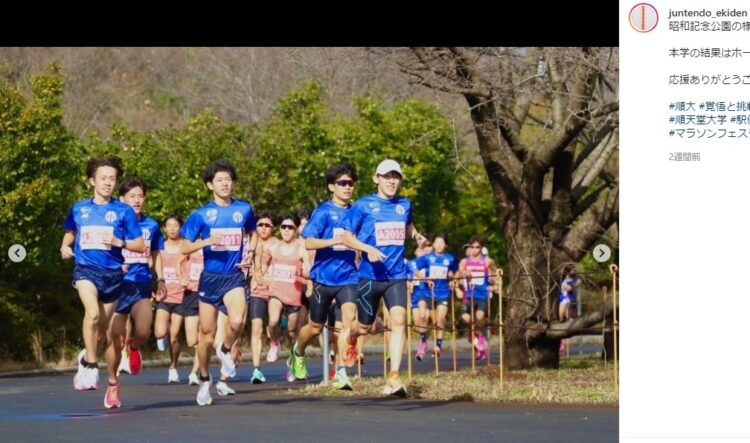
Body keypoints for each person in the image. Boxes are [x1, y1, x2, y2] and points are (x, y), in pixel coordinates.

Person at [60, 155, 145, 409]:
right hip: (86, 271)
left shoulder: (123, 211)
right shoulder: (79, 208)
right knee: (92, 313)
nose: (108, 183)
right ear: (91, 181)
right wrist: (64, 246)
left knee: (107, 334)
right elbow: (70, 233)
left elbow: (139, 245)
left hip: (113, 276)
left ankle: (112, 382)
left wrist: (119, 242)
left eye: (112, 179)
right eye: (103, 178)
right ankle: (89, 366)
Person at [340, 159, 426, 396]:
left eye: (395, 177)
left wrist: (416, 235)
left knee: (399, 321)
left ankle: (394, 376)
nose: (391, 181)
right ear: (376, 178)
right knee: (364, 327)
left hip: (396, 275)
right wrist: (366, 249)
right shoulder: (363, 205)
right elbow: (346, 237)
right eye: (387, 177)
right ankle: (352, 337)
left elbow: (407, 226)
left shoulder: (404, 205)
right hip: (369, 277)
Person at [179, 159, 257, 406]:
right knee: (206, 336)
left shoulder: (244, 209)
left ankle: (225, 350)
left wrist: (250, 253)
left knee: (237, 320)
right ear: (210, 185)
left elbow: (253, 233)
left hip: (234, 275)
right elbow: (184, 246)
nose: (225, 184)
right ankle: (204, 378)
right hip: (210, 278)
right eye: (219, 180)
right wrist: (206, 241)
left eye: (228, 180)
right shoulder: (201, 214)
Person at [288, 163, 360, 390]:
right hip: (323, 279)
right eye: (342, 183)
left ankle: (341, 373)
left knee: (347, 321)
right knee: (315, 328)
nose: (347, 187)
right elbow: (308, 241)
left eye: (350, 183)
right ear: (332, 186)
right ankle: (297, 350)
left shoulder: (357, 211)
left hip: (349, 277)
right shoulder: (323, 212)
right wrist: (335, 240)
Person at [115, 177, 165, 379]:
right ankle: (116, 369)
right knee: (115, 334)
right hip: (117, 282)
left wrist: (160, 278)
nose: (137, 200)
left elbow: (156, 253)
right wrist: (116, 265)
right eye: (132, 196)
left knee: (144, 331)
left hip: (142, 282)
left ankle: (134, 345)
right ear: (122, 199)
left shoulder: (151, 225)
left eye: (140, 196)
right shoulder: (114, 223)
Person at [258, 212, 311, 372]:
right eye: (283, 227)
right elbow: (263, 265)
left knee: (292, 331)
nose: (286, 230)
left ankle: (295, 355)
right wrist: (261, 276)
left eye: (290, 227)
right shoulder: (273, 247)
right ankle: (274, 343)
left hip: (294, 295)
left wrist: (308, 285)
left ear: (295, 229)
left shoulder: (301, 249)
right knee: (273, 321)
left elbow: (308, 270)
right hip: (276, 291)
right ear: (279, 228)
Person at [153, 214, 196, 384]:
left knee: (174, 337)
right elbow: (152, 266)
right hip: (164, 295)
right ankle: (163, 332)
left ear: (181, 228)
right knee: (159, 333)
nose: (172, 229)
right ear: (164, 228)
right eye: (168, 225)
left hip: (181, 296)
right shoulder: (160, 246)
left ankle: (173, 367)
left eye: (175, 225)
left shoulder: (186, 246)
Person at [417, 232, 457, 358]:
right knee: (422, 317)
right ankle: (423, 343)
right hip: (426, 291)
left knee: (440, 320)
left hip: (443, 292)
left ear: (446, 245)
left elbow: (455, 273)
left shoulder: (450, 258)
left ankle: (438, 345)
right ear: (433, 244)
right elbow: (416, 270)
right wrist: (425, 278)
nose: (439, 245)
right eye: (437, 242)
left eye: (442, 242)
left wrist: (453, 279)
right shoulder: (427, 257)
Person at [457, 235, 498, 361]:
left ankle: (480, 340)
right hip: (468, 296)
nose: (474, 250)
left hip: (482, 295)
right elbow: (457, 279)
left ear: (481, 248)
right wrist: (464, 274)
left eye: (477, 247)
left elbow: (496, 276)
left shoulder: (487, 261)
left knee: (479, 317)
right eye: (472, 247)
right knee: (466, 318)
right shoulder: (464, 262)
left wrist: (494, 286)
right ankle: (479, 338)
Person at [248, 211, 277, 384]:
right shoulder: (251, 244)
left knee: (274, 324)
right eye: (260, 225)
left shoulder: (278, 244)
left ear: (273, 228)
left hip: (276, 291)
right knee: (256, 329)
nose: (263, 228)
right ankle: (256, 369)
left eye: (267, 225)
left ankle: (274, 341)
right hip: (257, 291)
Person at [406, 237, 433, 361]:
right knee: (417, 323)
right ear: (416, 251)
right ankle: (424, 341)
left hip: (426, 292)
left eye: (426, 248)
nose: (423, 251)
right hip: (414, 293)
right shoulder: (410, 263)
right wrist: (408, 283)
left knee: (423, 315)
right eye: (420, 249)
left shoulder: (430, 262)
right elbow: (410, 275)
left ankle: (423, 345)